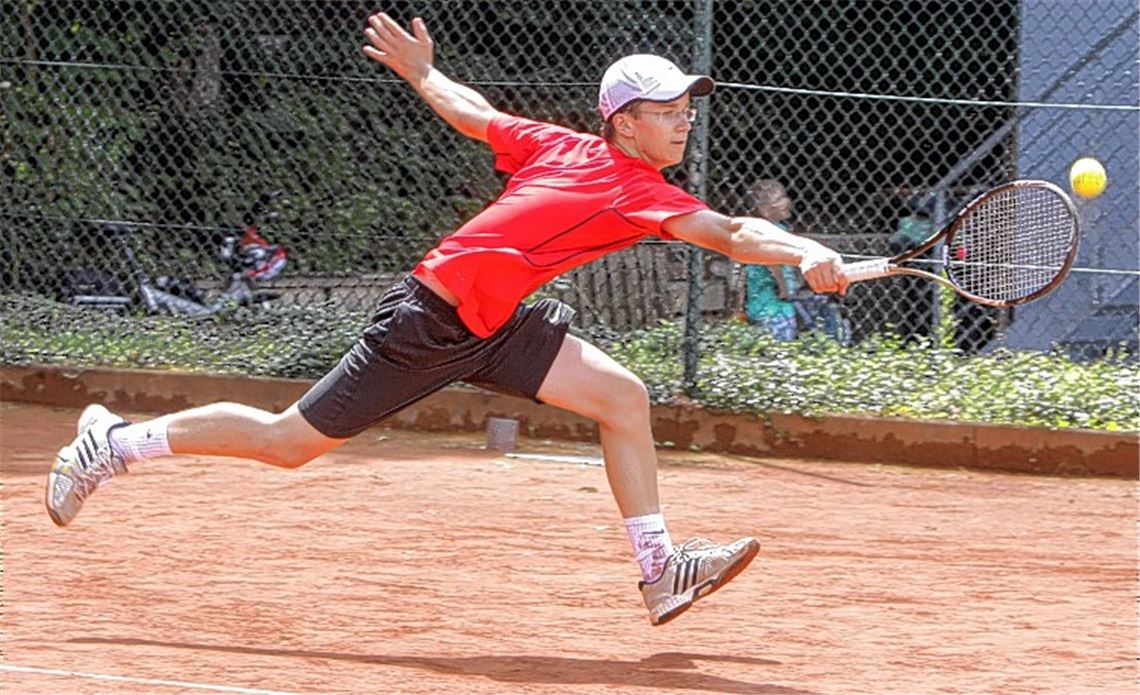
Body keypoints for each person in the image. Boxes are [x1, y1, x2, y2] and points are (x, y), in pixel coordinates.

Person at [45, 11, 848, 626]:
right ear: (625, 122)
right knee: (287, 443)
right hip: (429, 320)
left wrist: (425, 74)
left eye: (686, 109)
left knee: (622, 397)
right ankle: (112, 443)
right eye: (669, 110)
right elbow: (736, 234)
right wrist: (802, 246)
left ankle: (660, 568)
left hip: (496, 322)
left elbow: (472, 111)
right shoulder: (621, 179)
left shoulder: (573, 151)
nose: (684, 121)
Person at [741, 179, 800, 340]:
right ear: (765, 208)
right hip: (775, 305)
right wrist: (784, 288)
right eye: (780, 198)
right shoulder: (770, 230)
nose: (787, 202)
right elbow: (772, 262)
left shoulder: (766, 228)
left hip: (761, 304)